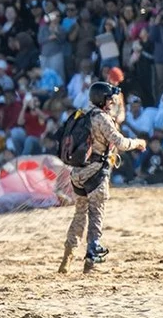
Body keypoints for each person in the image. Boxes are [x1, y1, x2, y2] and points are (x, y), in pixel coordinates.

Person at [58, 82, 147, 274]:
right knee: (96, 213)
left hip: (77, 173)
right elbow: (120, 143)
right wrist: (138, 143)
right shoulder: (102, 119)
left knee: (80, 214)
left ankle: (68, 255)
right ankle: (92, 254)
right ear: (102, 99)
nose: (112, 101)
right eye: (109, 98)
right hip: (96, 173)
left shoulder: (82, 113)